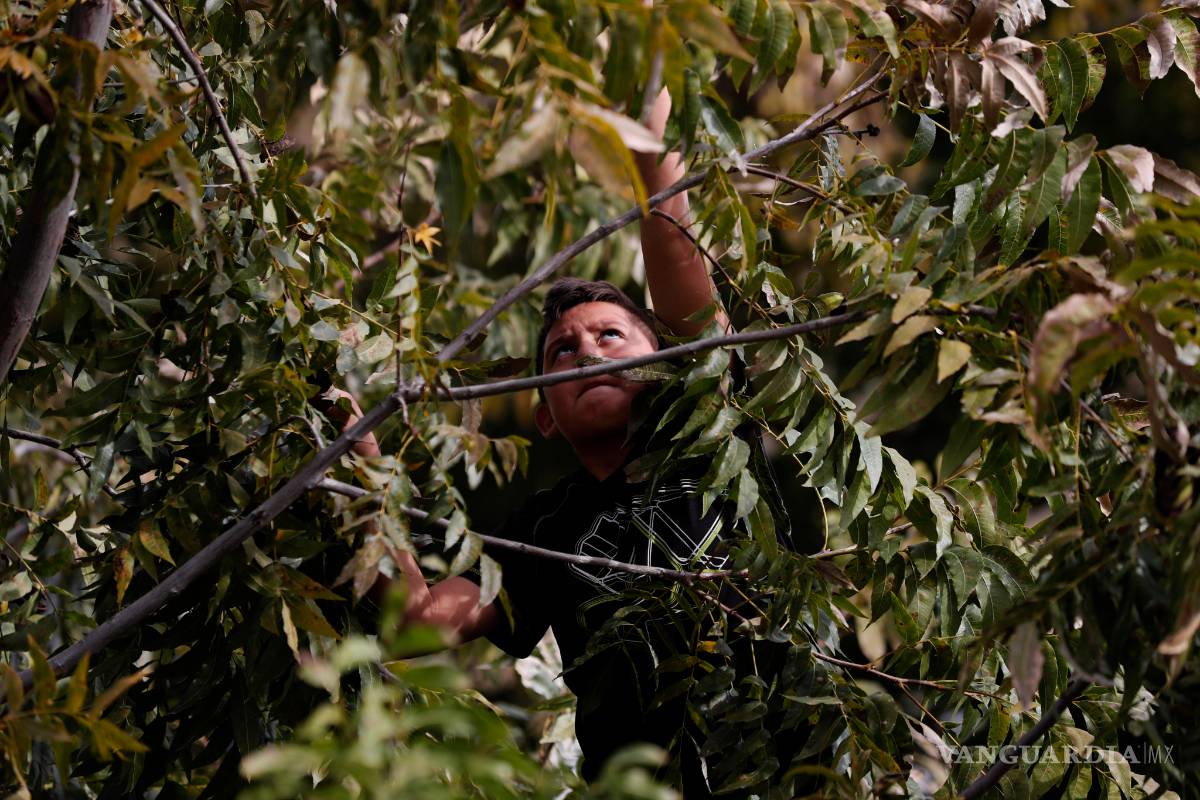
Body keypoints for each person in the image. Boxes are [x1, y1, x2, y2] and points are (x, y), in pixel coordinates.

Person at [329, 91, 795, 794]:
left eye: (612, 336)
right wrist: (355, 456)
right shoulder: (546, 528)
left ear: (665, 362)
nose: (587, 352)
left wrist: (648, 137)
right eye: (562, 351)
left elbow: (678, 262)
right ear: (545, 415)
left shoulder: (704, 433)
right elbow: (420, 623)